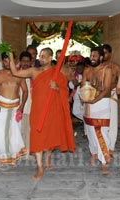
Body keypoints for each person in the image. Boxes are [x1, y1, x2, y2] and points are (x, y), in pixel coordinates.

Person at [9, 47, 75, 180]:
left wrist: (57, 88)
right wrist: (11, 56)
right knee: (37, 137)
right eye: (40, 55)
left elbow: (65, 90)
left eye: (44, 56)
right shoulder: (34, 71)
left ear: (50, 58)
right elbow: (15, 72)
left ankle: (48, 158)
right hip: (38, 111)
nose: (41, 58)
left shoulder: (58, 73)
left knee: (50, 136)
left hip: (52, 110)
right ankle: (39, 167)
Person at [0, 52, 28, 166]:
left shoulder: (19, 75)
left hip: (15, 107)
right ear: (2, 61)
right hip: (0, 107)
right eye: (5, 60)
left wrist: (22, 107)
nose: (8, 63)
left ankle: (13, 156)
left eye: (10, 60)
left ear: (15, 61)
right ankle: (3, 157)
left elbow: (25, 91)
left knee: (14, 133)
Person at [81, 46, 112, 175]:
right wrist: (84, 97)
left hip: (102, 103)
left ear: (101, 57)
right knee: (90, 132)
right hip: (89, 105)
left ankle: (104, 161)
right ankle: (94, 153)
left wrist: (95, 100)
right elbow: (83, 85)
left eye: (95, 56)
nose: (92, 58)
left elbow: (106, 89)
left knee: (101, 132)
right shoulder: (87, 70)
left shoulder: (107, 70)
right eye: (91, 55)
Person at [102, 44, 120, 158]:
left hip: (112, 95)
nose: (104, 55)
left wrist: (110, 86)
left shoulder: (116, 67)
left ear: (110, 53)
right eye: (102, 53)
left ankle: (111, 147)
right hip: (100, 95)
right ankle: (103, 144)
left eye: (105, 53)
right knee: (101, 120)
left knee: (112, 121)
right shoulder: (98, 67)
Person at [17, 51, 33, 159]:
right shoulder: (16, 74)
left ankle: (27, 153)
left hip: (31, 106)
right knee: (18, 130)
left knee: (28, 130)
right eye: (24, 61)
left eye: (28, 61)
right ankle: (19, 152)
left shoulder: (33, 74)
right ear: (20, 62)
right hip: (18, 106)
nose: (26, 63)